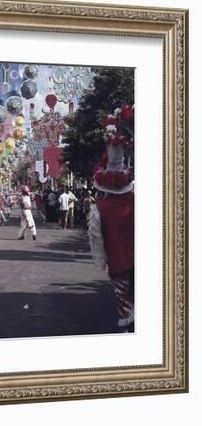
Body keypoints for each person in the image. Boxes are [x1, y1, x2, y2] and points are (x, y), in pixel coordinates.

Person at [88, 116, 134, 331]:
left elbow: (96, 240)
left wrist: (102, 261)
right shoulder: (137, 200)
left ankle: (127, 330)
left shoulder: (99, 207)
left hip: (117, 263)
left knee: (124, 299)